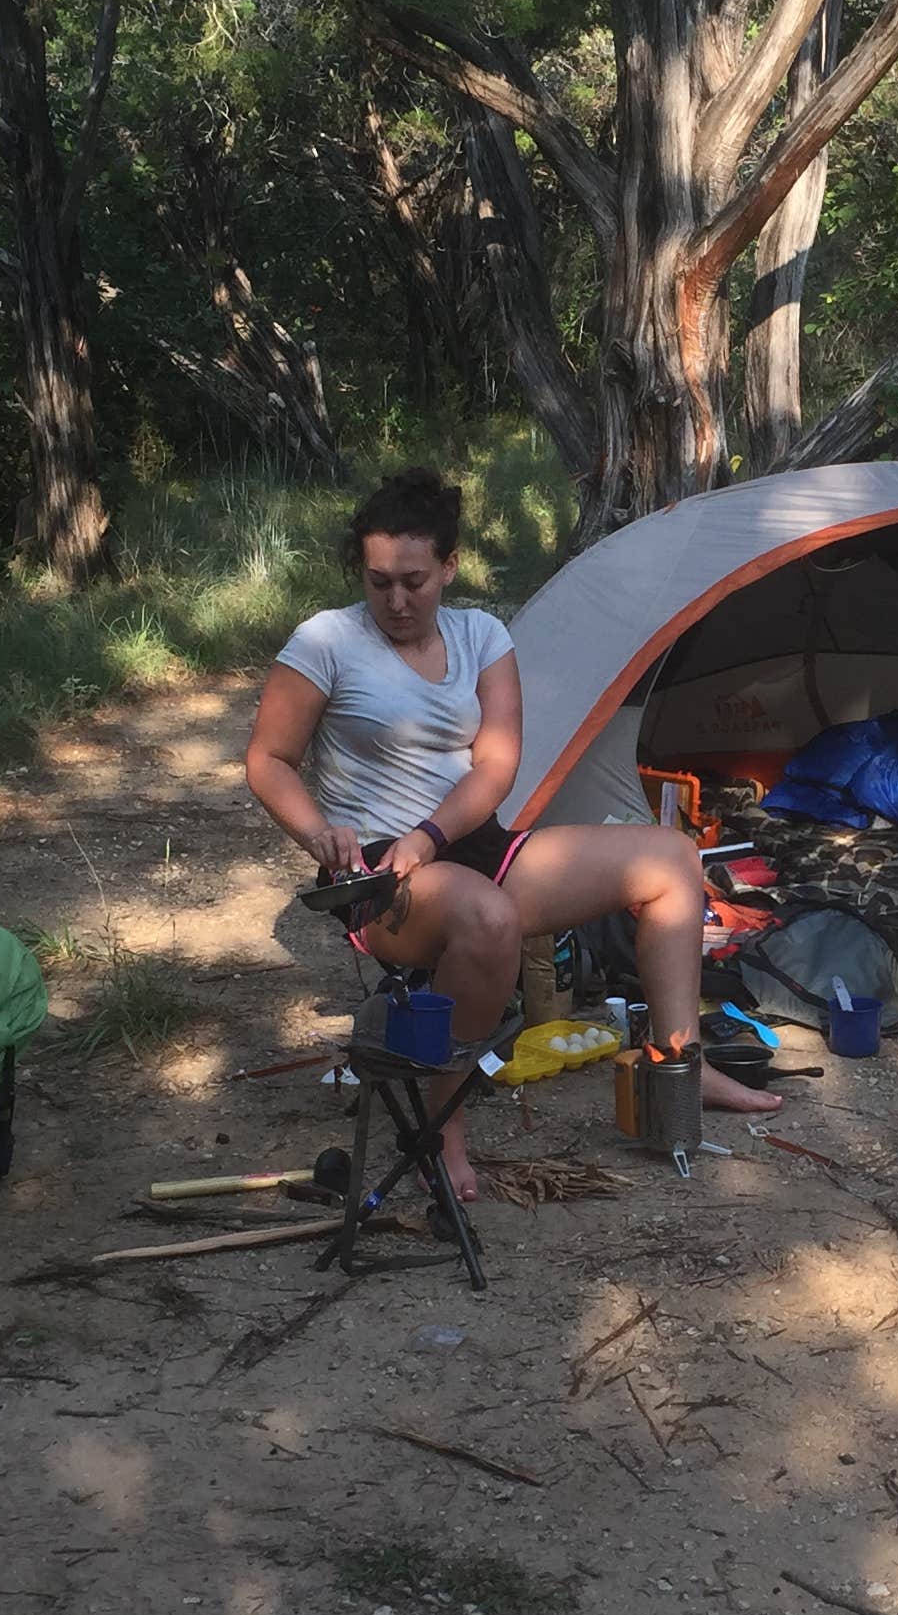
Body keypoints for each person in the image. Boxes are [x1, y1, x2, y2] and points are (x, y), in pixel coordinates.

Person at [244, 467, 778, 1200]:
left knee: (671, 858)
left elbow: (497, 766)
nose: (396, 601)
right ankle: (441, 1132)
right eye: (379, 582)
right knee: (488, 917)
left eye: (414, 581)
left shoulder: (481, 636)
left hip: (468, 844)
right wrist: (317, 833)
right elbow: (268, 760)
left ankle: (683, 1064)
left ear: (449, 567)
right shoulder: (326, 641)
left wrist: (432, 836)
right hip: (377, 871)